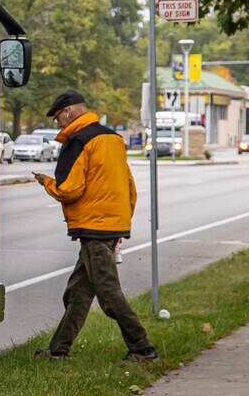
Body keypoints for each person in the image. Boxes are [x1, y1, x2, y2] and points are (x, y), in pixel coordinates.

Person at [33, 88, 158, 361]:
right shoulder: (113, 138)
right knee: (78, 292)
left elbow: (69, 189)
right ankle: (57, 350)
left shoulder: (79, 141)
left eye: (57, 118)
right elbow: (128, 186)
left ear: (68, 111)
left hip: (93, 228)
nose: (58, 123)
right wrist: (120, 223)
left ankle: (142, 347)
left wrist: (46, 182)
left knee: (109, 293)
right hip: (110, 224)